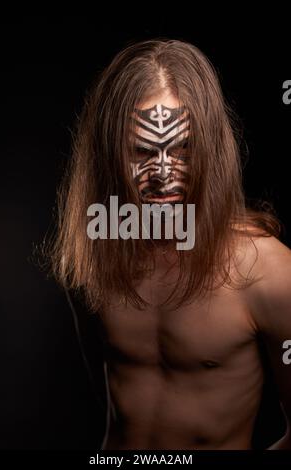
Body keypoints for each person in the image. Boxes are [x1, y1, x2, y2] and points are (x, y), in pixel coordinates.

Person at [46, 39, 291, 449]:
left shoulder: (269, 273)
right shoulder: (92, 255)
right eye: (142, 151)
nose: (163, 173)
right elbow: (105, 405)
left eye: (183, 149)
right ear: (109, 154)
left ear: (211, 149)